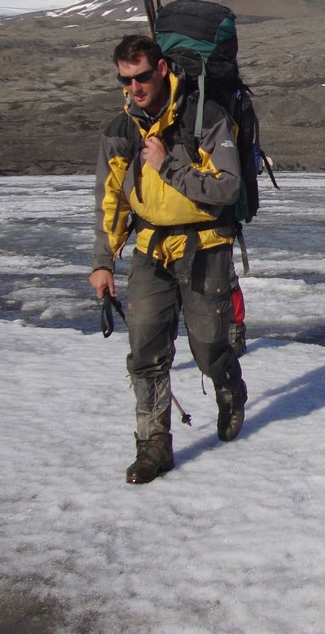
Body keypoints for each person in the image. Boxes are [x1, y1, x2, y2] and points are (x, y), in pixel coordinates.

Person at [90, 34, 248, 485]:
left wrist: (168, 167)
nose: (133, 88)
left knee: (208, 348)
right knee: (145, 352)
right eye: (125, 80)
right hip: (151, 250)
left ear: (161, 69)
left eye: (140, 77)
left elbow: (227, 188)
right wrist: (104, 260)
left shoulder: (206, 119)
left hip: (205, 247)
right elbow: (110, 199)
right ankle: (153, 446)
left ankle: (229, 387)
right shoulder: (121, 131)